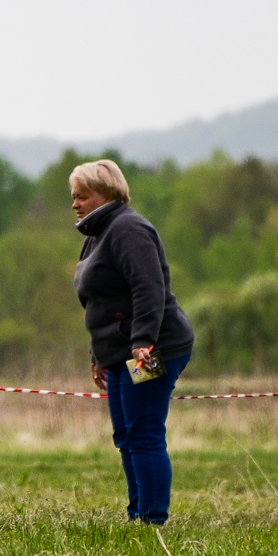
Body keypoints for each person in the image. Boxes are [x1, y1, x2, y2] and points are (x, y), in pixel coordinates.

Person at [71, 160, 193, 525]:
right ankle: (137, 513)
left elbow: (149, 288)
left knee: (144, 433)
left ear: (106, 194)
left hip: (153, 350)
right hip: (120, 353)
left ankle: (153, 520)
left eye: (81, 196)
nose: (74, 204)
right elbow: (100, 303)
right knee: (126, 434)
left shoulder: (128, 229)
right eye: (72, 197)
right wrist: (97, 355)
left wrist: (143, 342)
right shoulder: (98, 233)